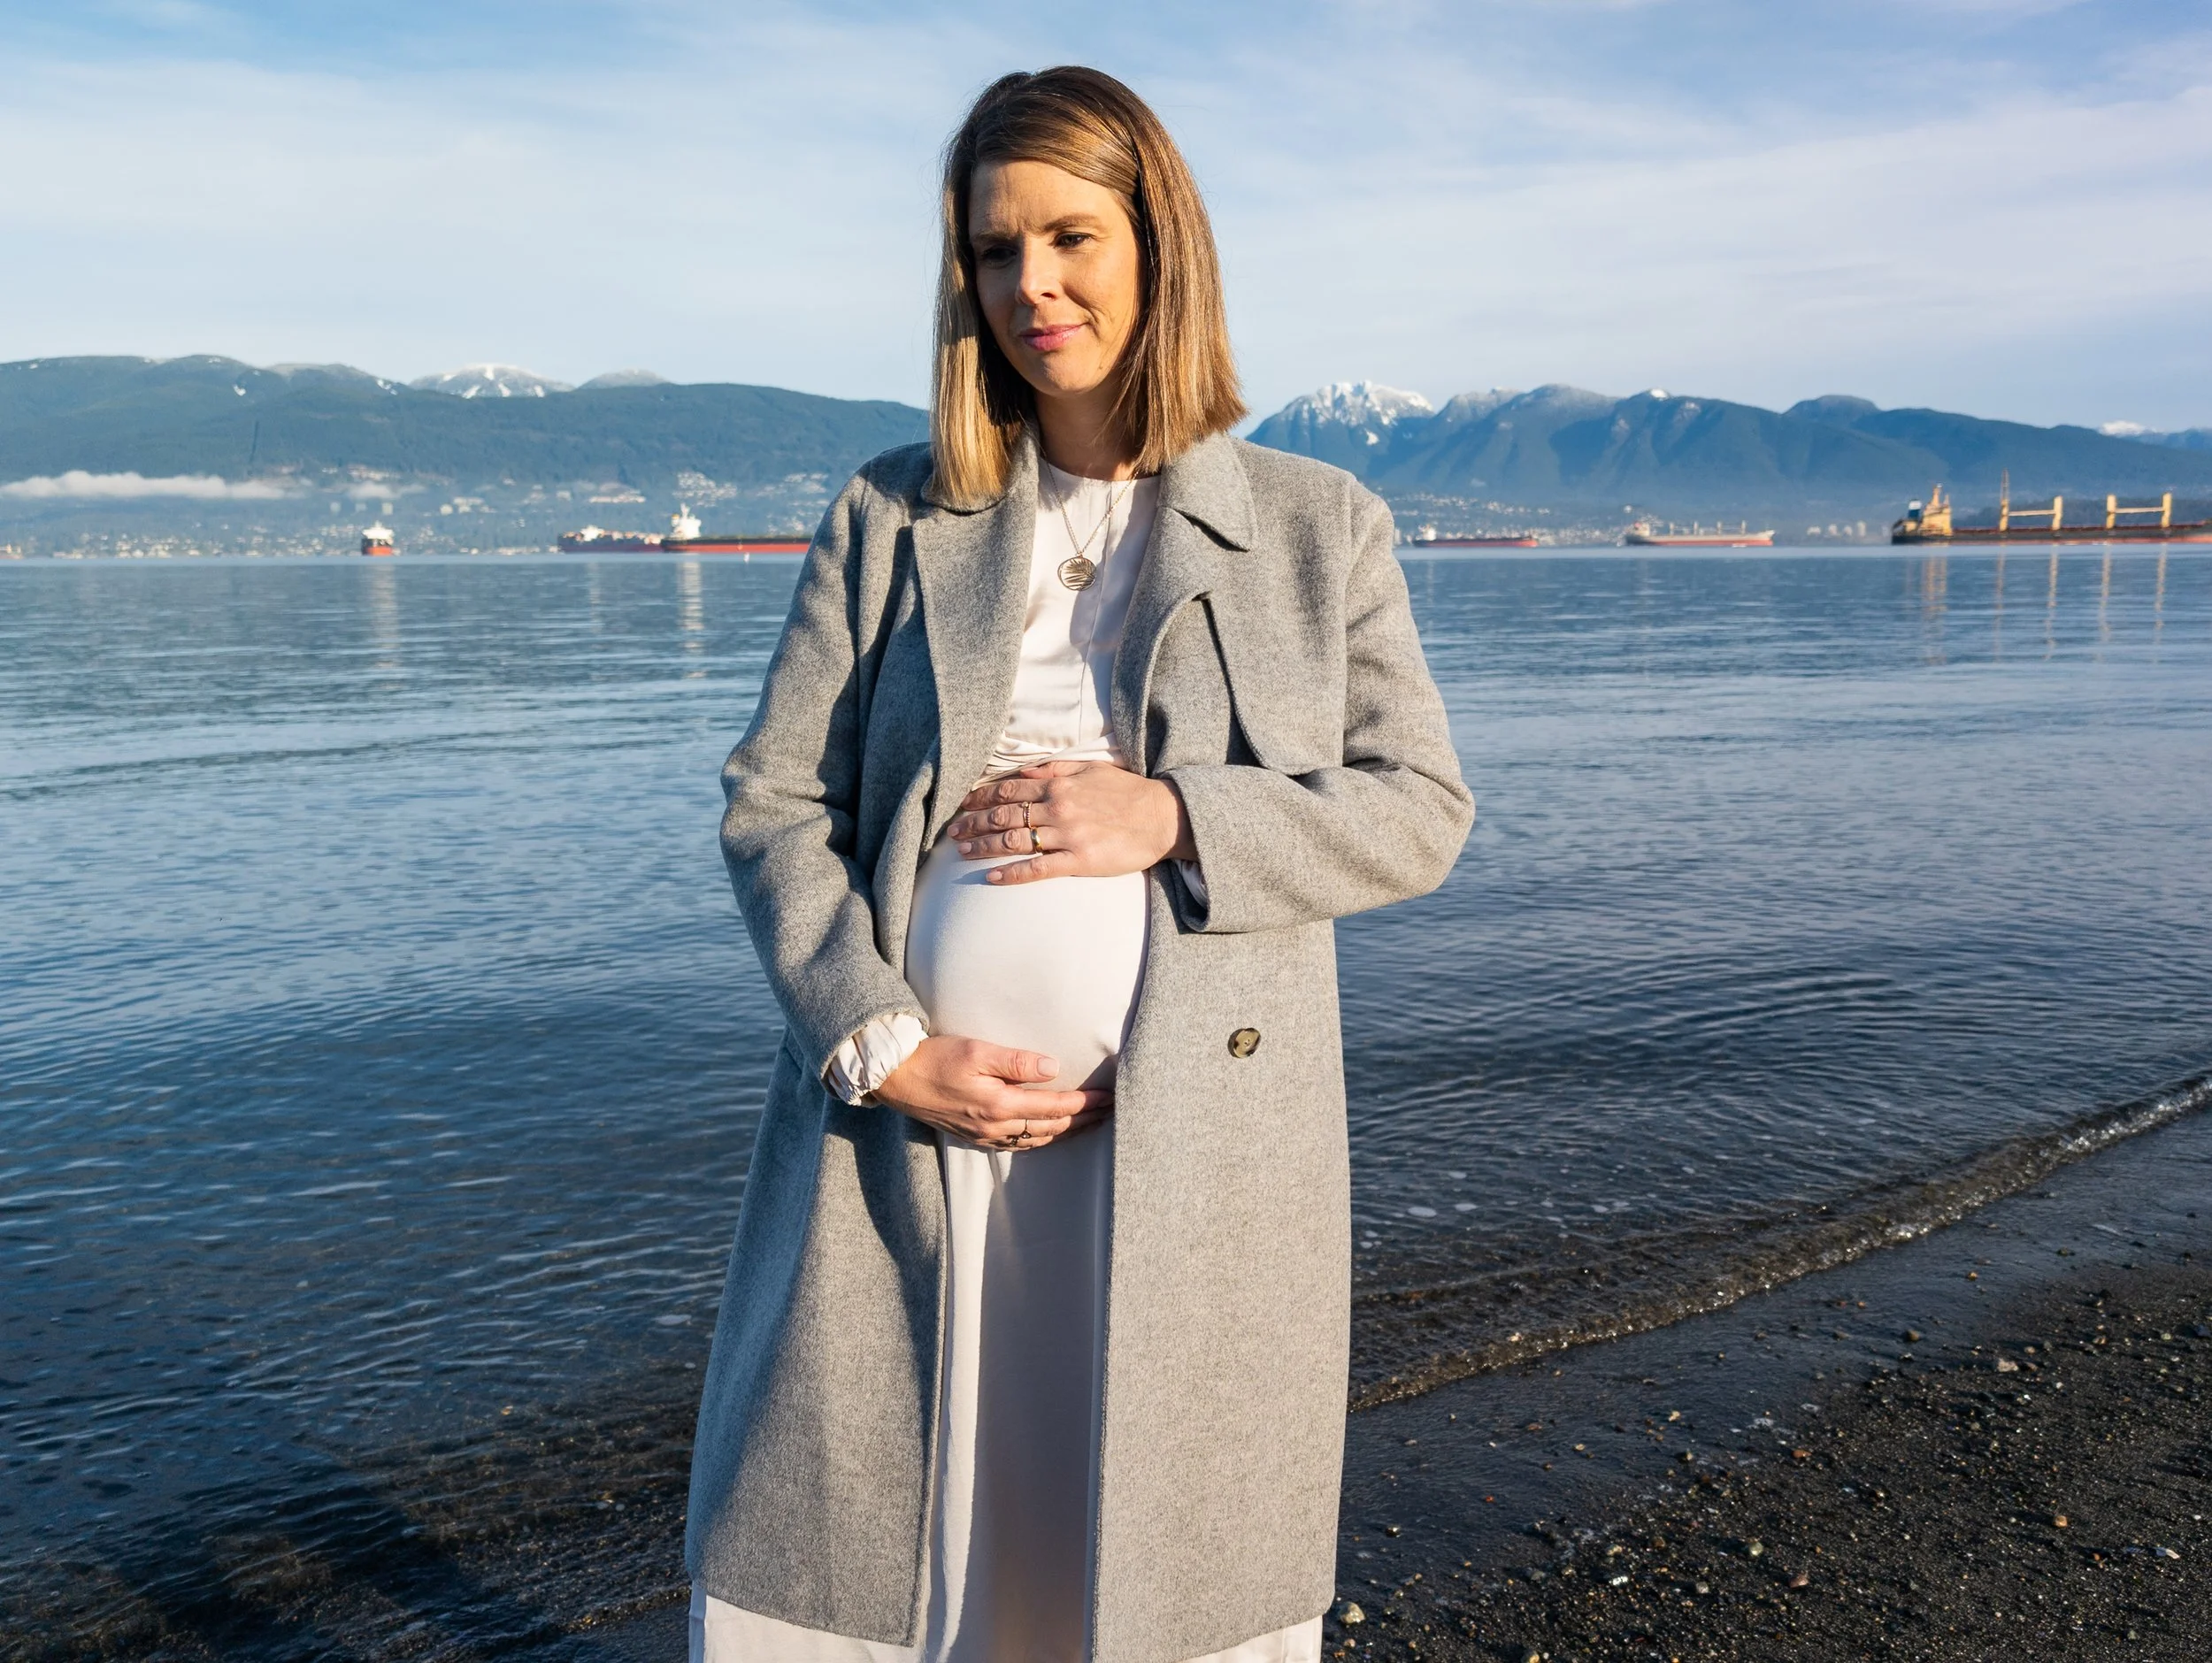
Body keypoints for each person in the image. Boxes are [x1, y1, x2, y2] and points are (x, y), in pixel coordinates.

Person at [685, 65, 1472, 1663]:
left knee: (1149, 1561)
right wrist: (884, 1048)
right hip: (905, 1137)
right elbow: (774, 801)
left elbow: (1419, 808)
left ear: (1157, 243)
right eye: (991, 251)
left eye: (1070, 239)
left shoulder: (1326, 528)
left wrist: (1176, 814)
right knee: (866, 1554)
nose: (1029, 287)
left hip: (1195, 1154)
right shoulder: (893, 515)